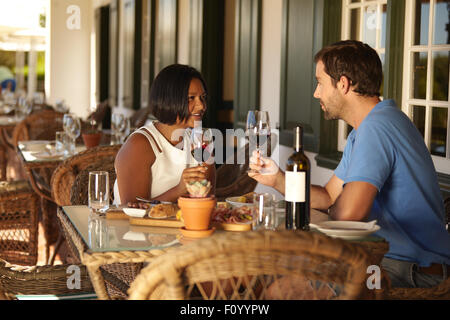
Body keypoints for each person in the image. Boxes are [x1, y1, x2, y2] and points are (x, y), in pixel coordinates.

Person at [248, 40, 450, 288]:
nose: (316, 93)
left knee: (282, 289)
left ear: (343, 84)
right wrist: (278, 179)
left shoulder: (378, 127)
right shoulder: (365, 129)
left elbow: (347, 215)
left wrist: (334, 208)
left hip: (407, 271)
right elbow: (329, 196)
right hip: (384, 260)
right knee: (272, 271)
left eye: (320, 83)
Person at [114, 64, 216, 204]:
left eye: (202, 97)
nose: (202, 105)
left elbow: (207, 200)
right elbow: (130, 210)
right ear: (169, 100)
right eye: (191, 98)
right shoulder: (140, 144)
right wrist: (179, 189)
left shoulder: (200, 142)